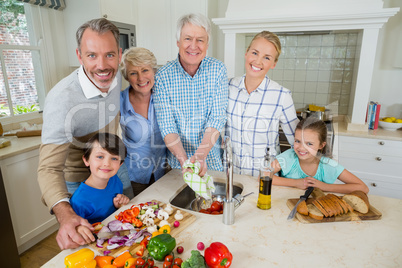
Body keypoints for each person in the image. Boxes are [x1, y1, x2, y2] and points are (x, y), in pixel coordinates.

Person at [37, 18, 133, 250]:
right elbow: (48, 168)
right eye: (92, 55)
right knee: (91, 247)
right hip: (79, 179)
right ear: (79, 56)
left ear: (119, 55)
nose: (102, 65)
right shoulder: (62, 100)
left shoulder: (116, 74)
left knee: (129, 226)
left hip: (116, 168)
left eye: (109, 55)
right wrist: (65, 214)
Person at [153, 13, 228, 176]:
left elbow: (217, 118)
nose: (193, 46)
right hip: (178, 166)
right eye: (188, 39)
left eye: (200, 40)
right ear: (178, 42)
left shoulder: (218, 70)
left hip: (212, 164)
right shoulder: (163, 77)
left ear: (207, 44)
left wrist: (200, 156)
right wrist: (185, 161)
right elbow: (167, 126)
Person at [226, 31, 299, 177]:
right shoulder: (227, 87)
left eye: (267, 57)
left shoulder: (281, 96)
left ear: (273, 64)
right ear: (246, 53)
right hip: (230, 179)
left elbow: (299, 147)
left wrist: (273, 168)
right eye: (254, 53)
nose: (258, 61)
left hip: (263, 182)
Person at [272, 118, 369, 194]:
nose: (301, 148)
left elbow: (363, 188)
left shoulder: (328, 165)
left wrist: (325, 187)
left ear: (321, 145)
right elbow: (264, 175)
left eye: (309, 143)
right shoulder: (289, 156)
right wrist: (296, 183)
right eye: (297, 141)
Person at [118, 47, 167, 196]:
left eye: (145, 70)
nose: (141, 78)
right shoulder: (119, 102)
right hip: (135, 178)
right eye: (133, 73)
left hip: (165, 174)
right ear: (127, 77)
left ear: (153, 71)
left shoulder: (165, 96)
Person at [72, 133, 130, 243]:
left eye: (114, 158)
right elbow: (78, 235)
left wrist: (119, 205)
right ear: (86, 160)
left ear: (120, 164)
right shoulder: (79, 201)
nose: (107, 163)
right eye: (100, 157)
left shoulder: (115, 180)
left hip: (117, 237)